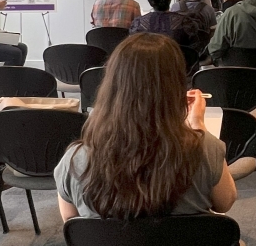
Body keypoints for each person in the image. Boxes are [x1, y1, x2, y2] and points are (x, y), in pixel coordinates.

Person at [55, 33, 237, 221]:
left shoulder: (75, 160)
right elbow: (225, 202)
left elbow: (71, 222)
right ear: (175, 86)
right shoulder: (204, 149)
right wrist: (198, 126)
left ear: (112, 86)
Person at [131, 0, 209, 53]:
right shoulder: (185, 23)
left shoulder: (138, 24)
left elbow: (132, 52)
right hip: (176, 66)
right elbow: (195, 52)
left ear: (149, 0)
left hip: (146, 66)